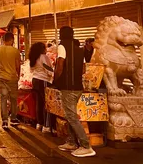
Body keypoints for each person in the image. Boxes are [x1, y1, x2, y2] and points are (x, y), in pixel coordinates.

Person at [54, 26, 96, 158]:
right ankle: (72, 142)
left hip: (68, 87)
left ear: (62, 34)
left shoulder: (62, 46)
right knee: (69, 115)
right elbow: (83, 69)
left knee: (71, 116)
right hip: (78, 87)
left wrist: (56, 79)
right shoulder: (79, 49)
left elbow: (60, 64)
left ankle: (85, 145)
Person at [0, 32, 21, 129]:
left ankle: (4, 120)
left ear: (3, 40)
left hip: (2, 78)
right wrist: (18, 76)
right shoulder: (16, 51)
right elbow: (18, 66)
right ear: (12, 40)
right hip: (13, 78)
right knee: (13, 99)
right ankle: (13, 118)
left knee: (3, 99)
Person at [29, 42, 54, 133]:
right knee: (46, 103)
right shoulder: (44, 57)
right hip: (43, 81)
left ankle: (39, 123)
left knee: (39, 103)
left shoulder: (33, 57)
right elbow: (49, 69)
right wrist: (52, 74)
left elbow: (31, 70)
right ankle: (46, 126)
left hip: (35, 80)